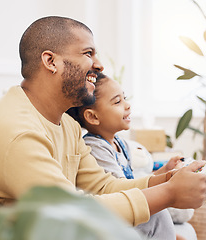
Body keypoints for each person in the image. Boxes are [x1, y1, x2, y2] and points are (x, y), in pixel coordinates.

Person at [0, 16, 206, 230]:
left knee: (155, 216)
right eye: (88, 53)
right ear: (51, 61)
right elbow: (70, 212)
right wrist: (170, 194)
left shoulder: (67, 125)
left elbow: (103, 186)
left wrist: (163, 180)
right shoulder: (17, 130)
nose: (100, 65)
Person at [67, 73, 187, 240]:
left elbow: (133, 183)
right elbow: (120, 193)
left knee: (164, 212)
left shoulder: (119, 143)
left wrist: (165, 171)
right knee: (158, 215)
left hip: (124, 209)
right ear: (93, 117)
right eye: (117, 102)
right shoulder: (95, 148)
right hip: (108, 219)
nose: (127, 105)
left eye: (124, 98)